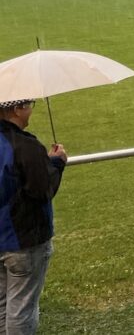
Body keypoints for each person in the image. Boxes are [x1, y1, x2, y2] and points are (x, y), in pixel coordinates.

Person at [0, 99, 67, 334]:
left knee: (3, 306)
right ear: (17, 109)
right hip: (23, 242)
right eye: (29, 105)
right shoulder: (26, 146)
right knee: (21, 309)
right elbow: (41, 190)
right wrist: (57, 164)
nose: (30, 110)